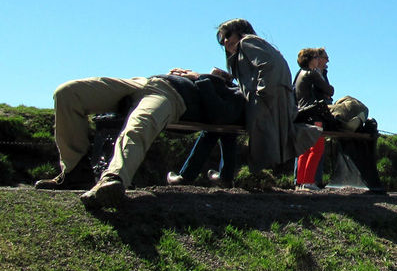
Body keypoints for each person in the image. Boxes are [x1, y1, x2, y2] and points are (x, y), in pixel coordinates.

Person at [35, 69, 240, 209]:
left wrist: (203, 78)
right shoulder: (193, 76)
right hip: (143, 81)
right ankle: (74, 173)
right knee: (67, 93)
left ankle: (113, 180)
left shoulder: (229, 91)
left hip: (171, 95)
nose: (215, 71)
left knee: (139, 125)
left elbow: (220, 116)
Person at [216, 19, 321, 171]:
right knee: (268, 141)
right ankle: (250, 175)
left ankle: (254, 176)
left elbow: (269, 65)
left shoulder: (247, 42)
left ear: (240, 31)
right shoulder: (248, 49)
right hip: (271, 99)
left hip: (266, 100)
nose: (226, 41)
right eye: (222, 39)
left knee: (264, 142)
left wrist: (261, 94)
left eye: (228, 34)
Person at [166, 67, 246, 188]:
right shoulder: (231, 92)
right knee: (225, 131)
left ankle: (186, 176)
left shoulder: (230, 92)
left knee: (212, 131)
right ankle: (225, 178)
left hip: (227, 117)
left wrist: (200, 78)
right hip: (232, 118)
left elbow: (217, 113)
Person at [293, 48, 334, 190]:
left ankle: (300, 181)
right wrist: (328, 90)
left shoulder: (299, 74)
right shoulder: (311, 73)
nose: (318, 59)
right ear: (310, 59)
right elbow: (329, 90)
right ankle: (309, 181)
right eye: (316, 57)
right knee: (317, 148)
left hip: (301, 114)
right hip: (314, 115)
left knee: (304, 149)